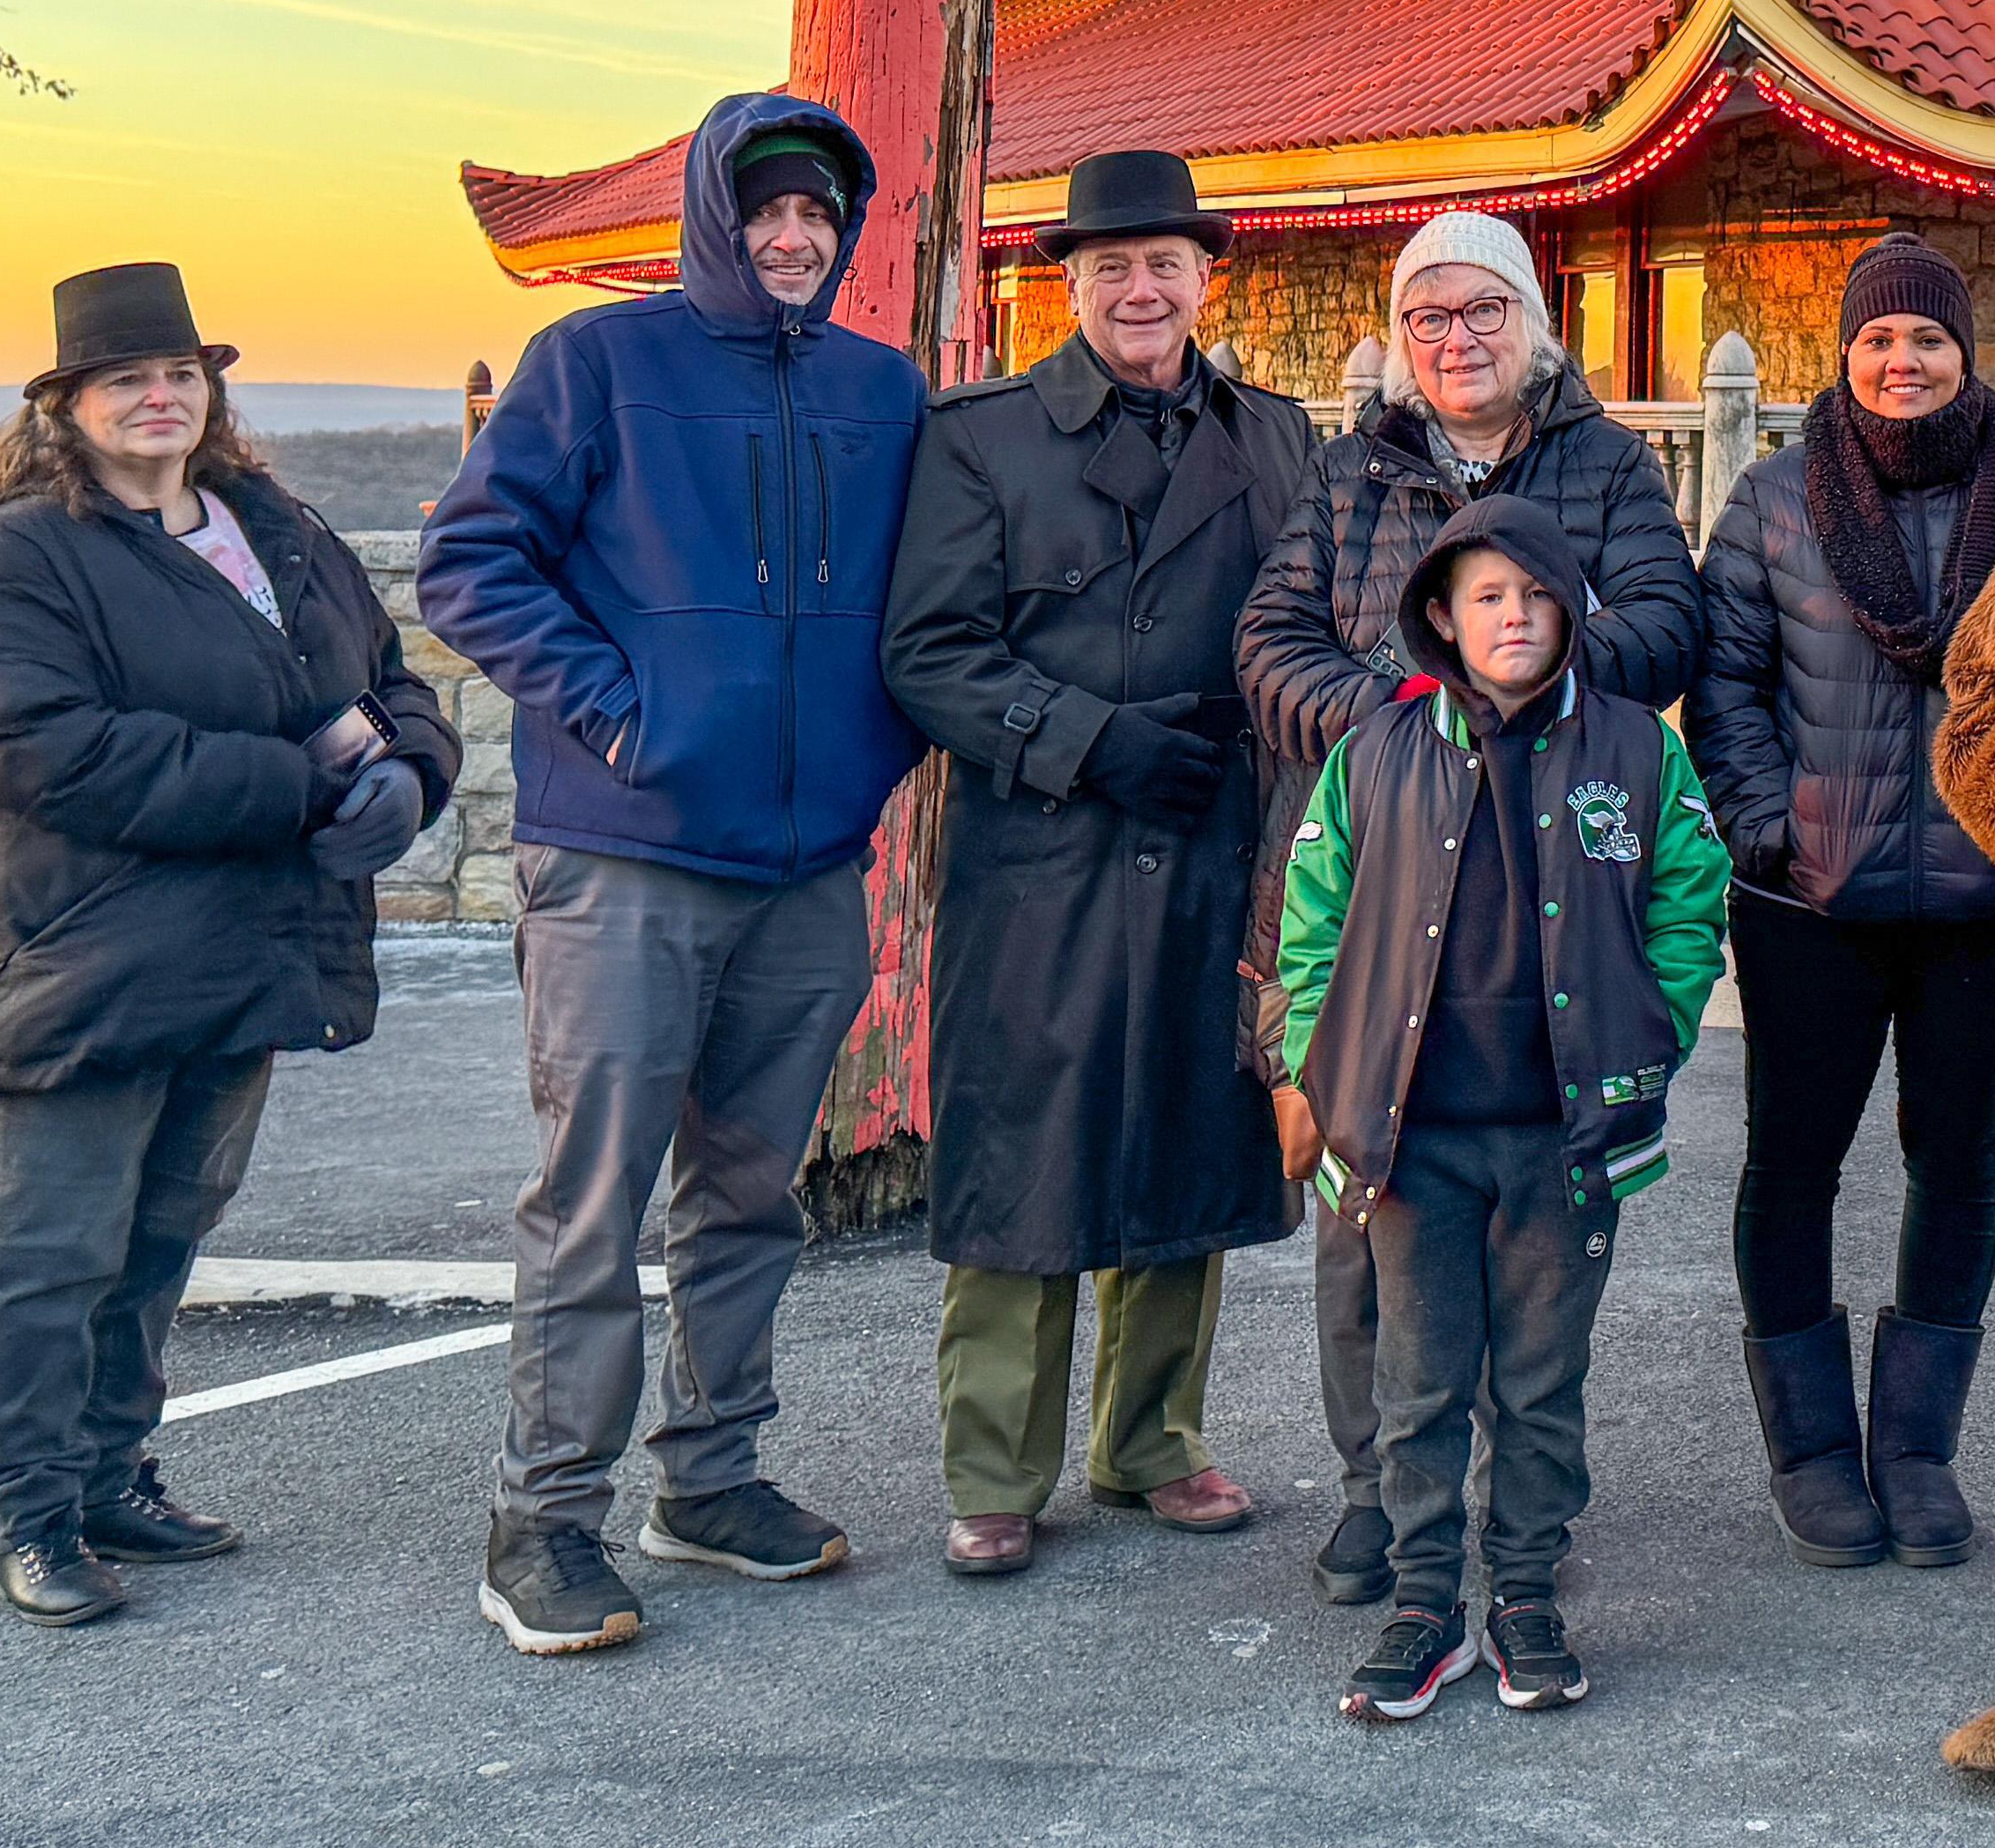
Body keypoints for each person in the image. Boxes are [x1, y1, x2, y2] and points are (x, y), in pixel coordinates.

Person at [420, 91, 928, 1657]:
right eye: (768, 209)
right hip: (625, 855)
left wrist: (877, 745)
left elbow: (929, 591)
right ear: (720, 213)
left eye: (818, 217)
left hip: (806, 866)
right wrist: (623, 711)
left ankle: (707, 1478)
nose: (793, 237)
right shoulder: (600, 365)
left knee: (748, 1192)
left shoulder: (880, 387)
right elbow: (469, 560)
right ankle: (544, 1516)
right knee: (593, 1199)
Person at [0, 263, 463, 1628]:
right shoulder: (17, 559)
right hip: (74, 955)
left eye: (179, 376)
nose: (158, 398)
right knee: (52, 1242)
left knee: (164, 1230)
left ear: (210, 391)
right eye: (125, 380)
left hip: (242, 946)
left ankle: (109, 1476)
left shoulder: (273, 526)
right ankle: (30, 1510)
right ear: (67, 407)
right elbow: (44, 750)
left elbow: (386, 680)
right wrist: (304, 785)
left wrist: (410, 771)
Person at [1235, 207, 1702, 1612]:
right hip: (1363, 879)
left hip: (1550, 886)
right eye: (1429, 317)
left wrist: (1525, 691)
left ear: (1531, 322)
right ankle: (1380, 1493)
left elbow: (1665, 619)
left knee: (1535, 1240)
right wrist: (1403, 718)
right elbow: (1269, 642)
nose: (1456, 339)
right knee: (1361, 1214)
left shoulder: (1605, 463)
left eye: (1482, 310)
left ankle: (1515, 1514)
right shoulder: (1347, 472)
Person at [882, 150, 1324, 1576]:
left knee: (1186, 1135)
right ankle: (994, 1466)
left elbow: (1314, 617)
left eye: (1166, 262)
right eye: (1110, 264)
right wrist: (1083, 738)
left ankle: (1152, 1442)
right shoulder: (979, 437)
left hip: (1211, 835)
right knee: (1027, 1153)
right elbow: (927, 649)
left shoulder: (1276, 438)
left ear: (1207, 275)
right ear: (1067, 282)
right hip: (1044, 849)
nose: (1141, 287)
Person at [1265, 497, 1731, 1723]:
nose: (1513, 618)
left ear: (1570, 607)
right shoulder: (1376, 752)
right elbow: (1308, 927)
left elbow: (1690, 899)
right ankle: (1427, 1605)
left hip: (1564, 1140)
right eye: (1487, 599)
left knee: (1537, 1382)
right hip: (1413, 1141)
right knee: (1419, 1382)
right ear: (1442, 618)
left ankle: (1525, 1590)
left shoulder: (1639, 750)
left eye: (1534, 596)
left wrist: (1659, 1026)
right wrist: (1321, 1064)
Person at [1689, 232, 1995, 1572]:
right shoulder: (1777, 500)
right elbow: (1724, 680)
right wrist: (1767, 828)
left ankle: (1916, 1449)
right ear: (1843, 354)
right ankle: (1814, 1455)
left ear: (1972, 356)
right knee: (1793, 1166)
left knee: (1957, 1166)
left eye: (1929, 341)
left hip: (1986, 899)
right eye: (1877, 341)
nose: (1902, 362)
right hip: (1809, 908)